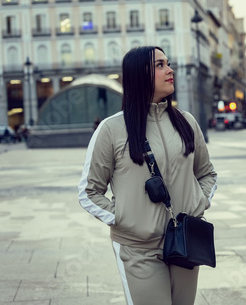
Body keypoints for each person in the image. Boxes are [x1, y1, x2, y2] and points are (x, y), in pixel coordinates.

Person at [78, 46, 217, 305]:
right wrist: (123, 218)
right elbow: (89, 192)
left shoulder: (186, 122)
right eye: (160, 65)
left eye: (168, 63)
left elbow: (207, 173)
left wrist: (198, 203)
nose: (170, 69)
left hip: (185, 242)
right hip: (137, 248)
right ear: (139, 74)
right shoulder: (111, 129)